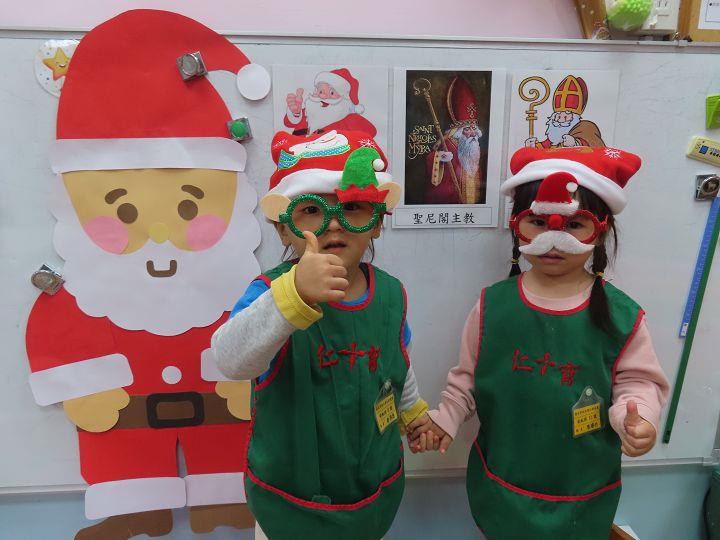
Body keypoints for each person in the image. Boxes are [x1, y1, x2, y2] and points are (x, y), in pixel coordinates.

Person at [410, 146, 669, 539]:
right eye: (537, 222)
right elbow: (467, 379)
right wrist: (445, 418)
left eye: (574, 224)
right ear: (518, 226)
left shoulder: (621, 315)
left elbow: (638, 384)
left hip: (583, 489)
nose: (554, 238)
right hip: (503, 482)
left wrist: (639, 418)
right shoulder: (492, 305)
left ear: (601, 229)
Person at [212, 129, 431, 540]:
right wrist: (292, 295)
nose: (332, 224)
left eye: (352, 208)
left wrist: (413, 412)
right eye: (311, 210)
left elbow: (396, 364)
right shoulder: (269, 292)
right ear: (283, 230)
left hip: (371, 488)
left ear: (377, 222)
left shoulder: (390, 295)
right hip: (290, 497)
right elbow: (228, 360)